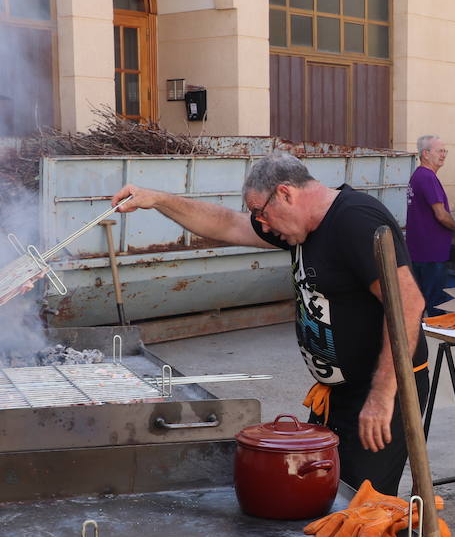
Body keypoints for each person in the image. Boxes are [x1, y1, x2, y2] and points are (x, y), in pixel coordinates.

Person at [110, 152, 429, 494]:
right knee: (326, 491)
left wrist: (381, 397)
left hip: (383, 388)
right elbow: (227, 224)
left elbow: (408, 305)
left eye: (261, 213)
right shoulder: (301, 226)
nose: (262, 225)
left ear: (286, 193)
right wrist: (157, 199)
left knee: (363, 507)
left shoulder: (355, 220)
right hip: (338, 395)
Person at [405, 135, 455, 314]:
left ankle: (420, 336)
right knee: (435, 300)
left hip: (419, 250)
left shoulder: (418, 176)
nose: (443, 155)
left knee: (421, 298)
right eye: (439, 151)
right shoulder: (428, 177)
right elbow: (441, 215)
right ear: (426, 153)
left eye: (445, 151)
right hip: (431, 251)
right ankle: (437, 337)